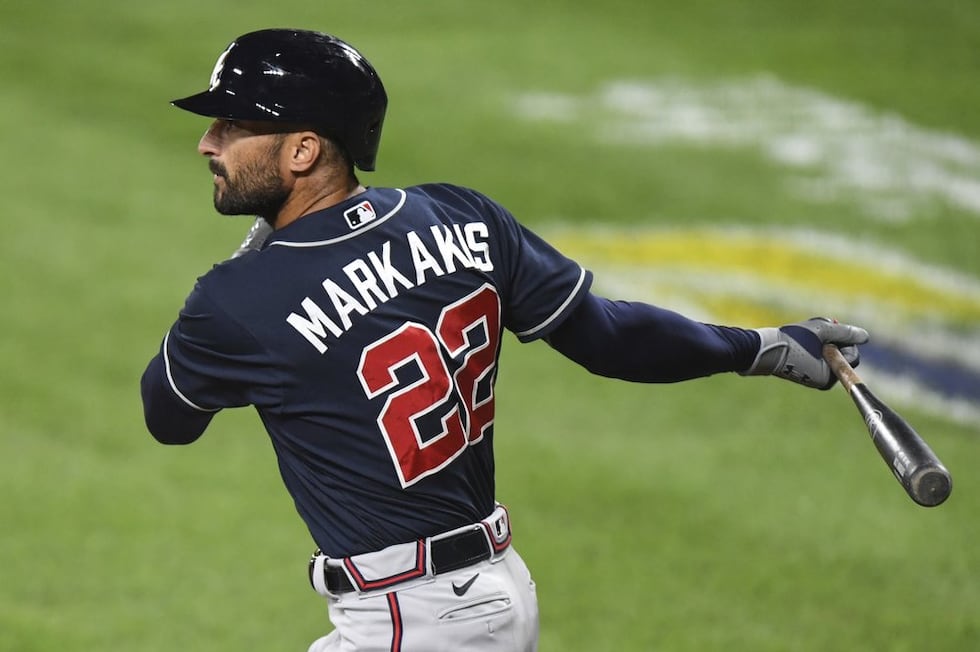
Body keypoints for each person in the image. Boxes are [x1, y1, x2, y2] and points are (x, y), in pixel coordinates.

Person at [140, 28, 868, 652]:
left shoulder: (238, 301)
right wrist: (762, 346)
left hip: (409, 620)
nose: (209, 142)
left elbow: (167, 418)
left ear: (303, 150)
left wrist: (244, 266)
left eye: (233, 127)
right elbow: (609, 338)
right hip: (494, 589)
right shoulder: (462, 217)